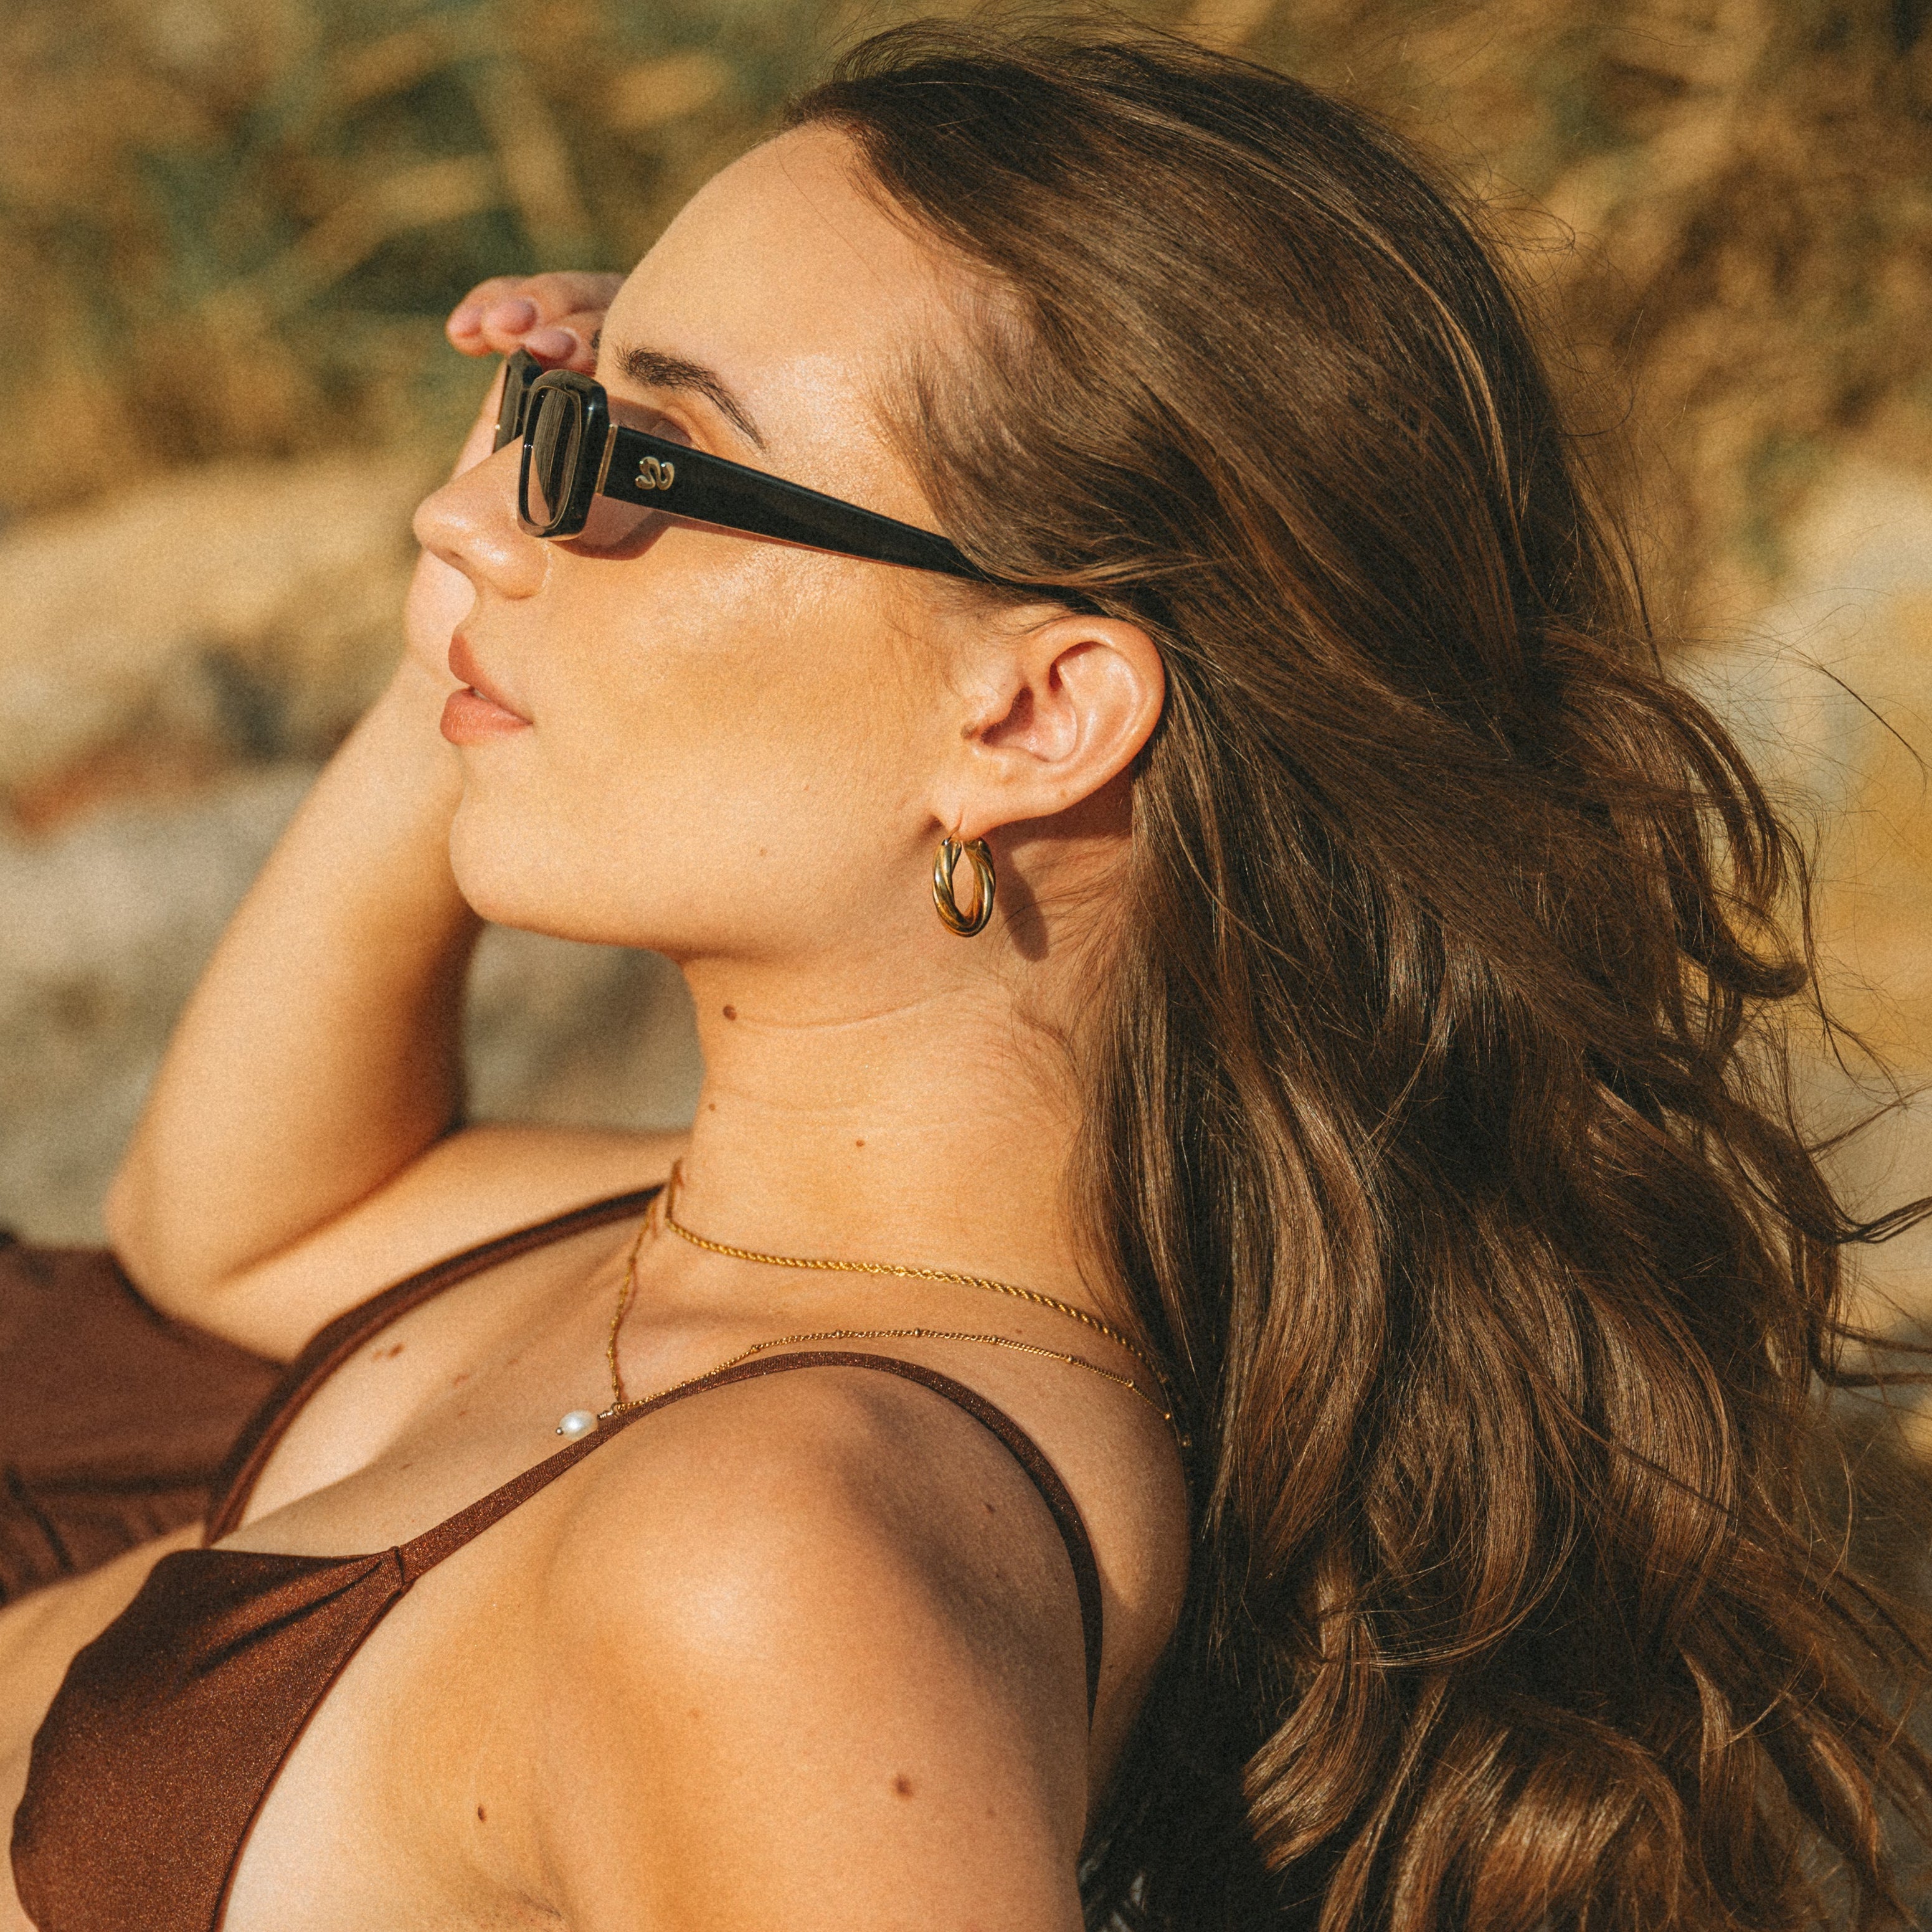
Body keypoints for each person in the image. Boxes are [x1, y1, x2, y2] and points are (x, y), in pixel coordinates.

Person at [4, 17, 1928, 1931]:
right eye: (553, 418)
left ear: (1032, 716)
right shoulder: (744, 1261)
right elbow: (239, 1227)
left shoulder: (788, 1567)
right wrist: (503, 602)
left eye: (642, 453)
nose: (462, 509)